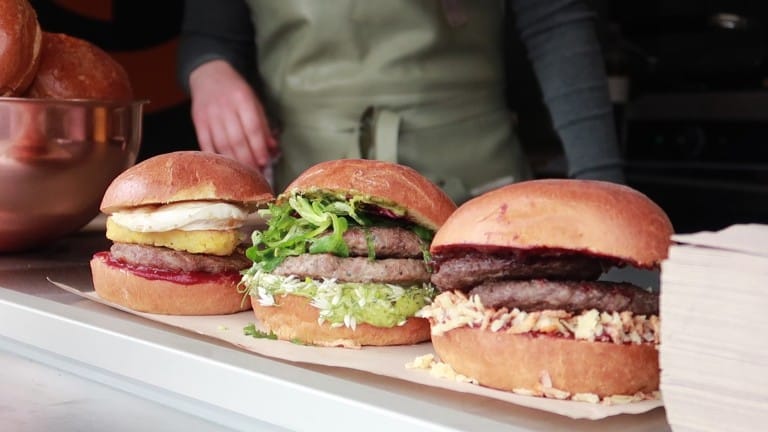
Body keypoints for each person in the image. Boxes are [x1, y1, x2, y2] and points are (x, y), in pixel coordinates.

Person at [177, 0, 624, 203]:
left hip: (476, 184)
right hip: (308, 188)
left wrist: (605, 188)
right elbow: (211, 33)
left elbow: (556, 22)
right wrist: (209, 69)